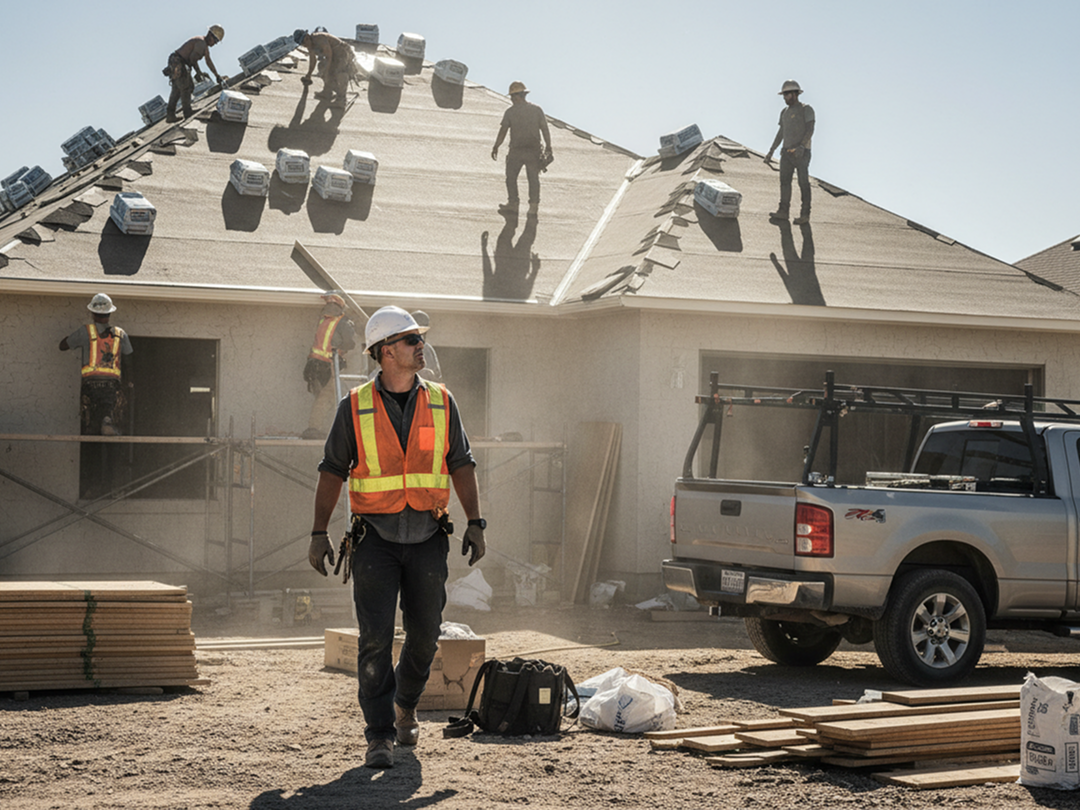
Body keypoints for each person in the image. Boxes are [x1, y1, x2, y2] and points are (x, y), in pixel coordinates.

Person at [308, 305, 486, 770]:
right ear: (386, 353)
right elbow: (331, 472)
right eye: (410, 341)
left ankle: (406, 704)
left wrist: (477, 521)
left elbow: (461, 464)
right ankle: (379, 734)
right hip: (375, 540)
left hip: (428, 535)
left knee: (426, 635)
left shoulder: (443, 402)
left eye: (418, 339)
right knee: (374, 640)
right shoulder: (355, 407)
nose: (419, 346)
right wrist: (317, 532)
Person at [59, 293, 134, 436]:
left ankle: (93, 433)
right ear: (110, 313)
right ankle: (107, 423)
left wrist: (70, 339)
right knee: (109, 412)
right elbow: (129, 361)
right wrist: (129, 384)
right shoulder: (120, 334)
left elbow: (62, 346)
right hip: (112, 385)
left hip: (90, 384)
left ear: (92, 314)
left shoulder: (85, 332)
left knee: (90, 419)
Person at [491, 81, 553, 218]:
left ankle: (514, 204)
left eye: (513, 97)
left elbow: (503, 131)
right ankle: (532, 207)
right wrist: (549, 147)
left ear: (518, 96)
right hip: (532, 151)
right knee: (531, 179)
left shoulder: (510, 112)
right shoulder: (536, 110)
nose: (512, 100)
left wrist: (496, 146)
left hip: (518, 151)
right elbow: (544, 129)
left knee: (512, 178)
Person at [302, 292, 356, 440]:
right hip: (329, 365)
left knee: (323, 398)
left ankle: (320, 428)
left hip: (314, 365)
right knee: (328, 397)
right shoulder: (342, 323)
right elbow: (350, 343)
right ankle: (317, 429)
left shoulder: (324, 321)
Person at [764, 80, 816, 225]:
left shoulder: (806, 109)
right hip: (786, 153)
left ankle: (805, 214)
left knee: (803, 183)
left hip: (801, 153)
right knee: (784, 182)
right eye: (784, 94)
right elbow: (781, 133)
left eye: (786, 94)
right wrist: (771, 151)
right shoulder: (784, 113)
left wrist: (802, 146)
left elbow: (810, 129)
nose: (784, 97)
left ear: (794, 94)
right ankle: (783, 211)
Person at [165, 25, 227, 123]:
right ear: (210, 35)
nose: (215, 44)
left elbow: (209, 62)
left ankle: (170, 114)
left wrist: (217, 76)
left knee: (177, 88)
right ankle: (187, 112)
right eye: (215, 41)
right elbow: (193, 59)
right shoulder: (201, 43)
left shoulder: (204, 45)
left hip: (176, 62)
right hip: (179, 63)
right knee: (187, 87)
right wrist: (199, 73)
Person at [294, 28, 360, 108]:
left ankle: (341, 100)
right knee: (321, 67)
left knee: (340, 73)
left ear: (308, 36)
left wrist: (327, 71)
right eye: (302, 44)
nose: (305, 44)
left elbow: (329, 56)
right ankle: (328, 91)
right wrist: (309, 75)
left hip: (343, 53)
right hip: (334, 56)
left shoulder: (319, 38)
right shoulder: (309, 44)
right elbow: (313, 60)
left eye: (305, 41)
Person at [410, 311, 442, 382]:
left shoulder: (428, 349)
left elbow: (438, 377)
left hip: (425, 390)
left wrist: (430, 374)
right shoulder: (403, 347)